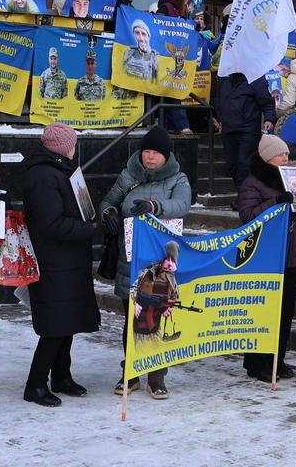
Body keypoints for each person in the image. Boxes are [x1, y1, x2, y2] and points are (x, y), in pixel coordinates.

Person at [99, 126, 193, 399]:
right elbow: (108, 201)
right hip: (130, 259)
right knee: (133, 319)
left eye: (155, 153)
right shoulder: (129, 175)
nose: (150, 158)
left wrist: (155, 207)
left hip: (161, 265)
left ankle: (157, 376)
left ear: (166, 156)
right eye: (146, 152)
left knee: (158, 318)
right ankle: (130, 371)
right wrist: (109, 214)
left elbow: (182, 204)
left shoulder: (178, 178)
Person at [21, 123, 98, 406]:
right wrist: (88, 229)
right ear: (64, 146)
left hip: (68, 259)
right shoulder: (44, 175)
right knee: (55, 326)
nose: (74, 148)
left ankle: (61, 376)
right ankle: (36, 384)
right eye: (72, 143)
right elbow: (50, 223)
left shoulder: (59, 169)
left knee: (67, 322)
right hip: (53, 260)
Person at [237, 134, 296, 384]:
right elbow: (247, 216)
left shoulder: (292, 178)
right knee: (264, 313)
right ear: (267, 158)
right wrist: (275, 202)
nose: (286, 158)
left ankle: (278, 357)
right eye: (280, 155)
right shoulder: (254, 183)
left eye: (287, 154)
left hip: (291, 255)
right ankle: (258, 362)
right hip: (265, 257)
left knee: (285, 312)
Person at [216, 71, 275, 186]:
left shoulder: (256, 78)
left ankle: (243, 198)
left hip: (248, 129)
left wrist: (269, 119)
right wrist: (218, 118)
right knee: (231, 166)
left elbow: (267, 102)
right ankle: (242, 195)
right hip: (228, 128)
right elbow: (219, 100)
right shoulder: (224, 78)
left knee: (244, 165)